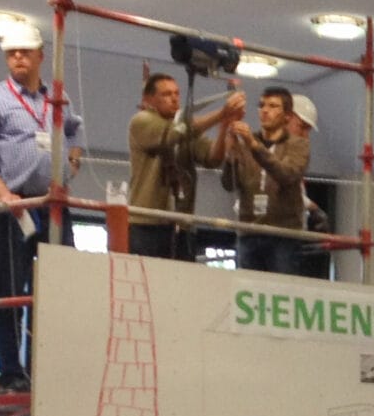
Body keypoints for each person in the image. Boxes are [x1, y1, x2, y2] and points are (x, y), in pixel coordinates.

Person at [0, 25, 85, 391]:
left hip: (53, 205)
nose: (17, 57)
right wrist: (4, 194)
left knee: (59, 288)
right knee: (10, 291)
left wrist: (71, 163)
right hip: (15, 207)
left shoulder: (57, 99)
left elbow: (75, 129)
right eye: (11, 53)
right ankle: (12, 372)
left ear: (40, 56)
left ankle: (48, 368)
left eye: (24, 52)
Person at [129, 72, 236, 261]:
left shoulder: (185, 127)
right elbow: (173, 134)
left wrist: (224, 127)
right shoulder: (141, 121)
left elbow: (212, 158)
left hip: (181, 224)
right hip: (147, 223)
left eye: (176, 93)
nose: (174, 98)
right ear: (149, 99)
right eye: (166, 94)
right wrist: (221, 114)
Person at [218, 86, 312, 275]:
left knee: (281, 289)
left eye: (273, 106)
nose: (265, 110)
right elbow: (229, 184)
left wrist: (254, 146)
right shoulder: (246, 142)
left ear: (287, 116)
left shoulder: (298, 145)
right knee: (247, 288)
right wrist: (230, 159)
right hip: (249, 232)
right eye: (261, 105)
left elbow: (286, 174)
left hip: (283, 235)